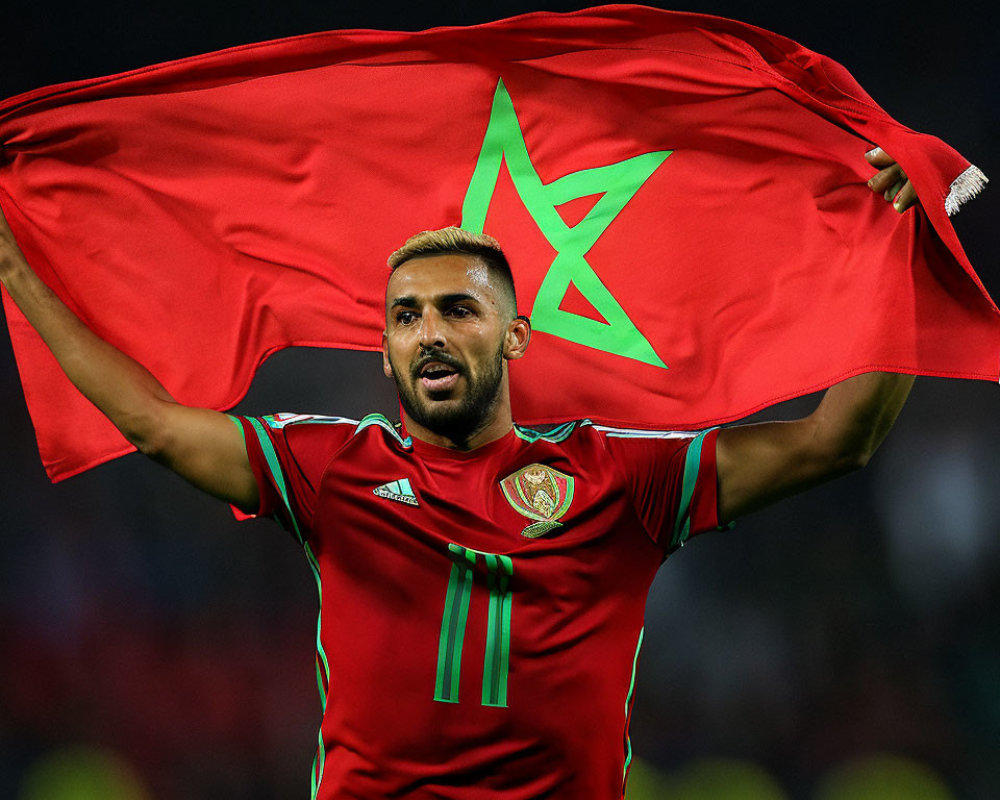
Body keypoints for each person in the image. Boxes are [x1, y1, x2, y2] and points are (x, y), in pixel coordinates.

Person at [0, 147, 918, 799]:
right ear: (386, 355)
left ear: (516, 336)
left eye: (457, 310)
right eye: (405, 318)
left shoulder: (616, 476)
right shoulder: (330, 467)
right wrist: (18, 270)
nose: (429, 332)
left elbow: (838, 439)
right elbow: (155, 426)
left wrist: (902, 246)